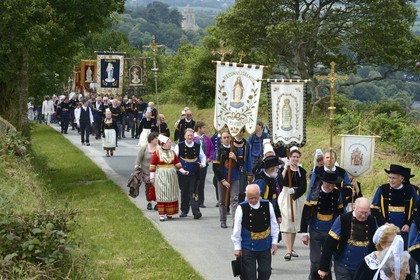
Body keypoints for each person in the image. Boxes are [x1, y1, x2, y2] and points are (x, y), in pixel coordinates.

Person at [317, 197, 377, 280]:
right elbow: (329, 243)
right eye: (361, 212)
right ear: (354, 208)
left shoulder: (372, 220)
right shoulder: (343, 219)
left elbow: (377, 243)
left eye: (366, 213)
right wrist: (323, 268)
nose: (363, 216)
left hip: (364, 267)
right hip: (343, 265)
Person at [300, 171, 344, 280]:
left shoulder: (337, 193)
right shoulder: (314, 192)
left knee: (327, 258)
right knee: (315, 260)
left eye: (333, 185)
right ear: (323, 182)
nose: (331, 187)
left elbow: (340, 212)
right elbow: (306, 213)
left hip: (330, 231)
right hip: (315, 229)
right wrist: (304, 233)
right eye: (328, 184)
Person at [231, 184, 279, 280]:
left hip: (265, 247)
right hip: (248, 248)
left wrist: (274, 241)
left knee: (266, 272)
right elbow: (237, 228)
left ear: (259, 194)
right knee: (249, 276)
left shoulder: (267, 205)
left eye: (255, 198)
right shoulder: (241, 208)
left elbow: (274, 224)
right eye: (250, 198)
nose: (253, 200)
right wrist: (237, 247)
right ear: (246, 195)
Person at [371, 164, 419, 249]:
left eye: (394, 178)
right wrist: (383, 223)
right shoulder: (383, 189)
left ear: (402, 179)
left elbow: (417, 209)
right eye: (389, 177)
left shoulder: (410, 190)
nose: (391, 180)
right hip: (386, 226)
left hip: (404, 228)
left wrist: (408, 224)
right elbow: (374, 208)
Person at [149, 135, 188, 222]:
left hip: (171, 176)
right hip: (161, 175)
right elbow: (152, 166)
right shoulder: (157, 153)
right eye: (169, 142)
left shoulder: (172, 153)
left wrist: (183, 171)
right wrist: (152, 178)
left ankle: (169, 212)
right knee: (162, 193)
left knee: (171, 193)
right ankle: (162, 214)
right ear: (163, 144)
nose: (170, 144)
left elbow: (177, 164)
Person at [278, 147, 307, 261]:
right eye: (293, 157)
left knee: (294, 224)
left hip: (297, 197)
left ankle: (291, 247)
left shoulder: (301, 171)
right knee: (287, 222)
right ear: (289, 157)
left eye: (297, 157)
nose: (295, 159)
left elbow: (304, 187)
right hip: (286, 196)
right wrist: (285, 168)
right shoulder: (284, 169)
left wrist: (295, 192)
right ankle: (288, 251)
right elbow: (280, 181)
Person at [213, 131, 243, 228]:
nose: (226, 139)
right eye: (224, 137)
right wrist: (223, 180)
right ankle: (223, 220)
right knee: (222, 200)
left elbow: (241, 163)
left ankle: (235, 222)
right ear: (221, 139)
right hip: (222, 178)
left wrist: (235, 158)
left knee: (234, 200)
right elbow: (215, 168)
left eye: (228, 137)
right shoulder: (218, 151)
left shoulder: (235, 150)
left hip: (234, 178)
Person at [174, 128, 206, 219]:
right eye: (188, 135)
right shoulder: (179, 146)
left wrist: (202, 164)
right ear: (184, 136)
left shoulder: (197, 146)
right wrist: (178, 168)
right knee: (184, 191)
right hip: (182, 173)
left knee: (194, 192)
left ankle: (196, 211)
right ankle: (184, 210)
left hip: (194, 173)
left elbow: (203, 156)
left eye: (191, 135)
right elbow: (174, 158)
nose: (189, 137)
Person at [134, 132, 159, 210]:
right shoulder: (144, 147)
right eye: (156, 138)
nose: (157, 140)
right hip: (146, 171)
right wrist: (136, 166)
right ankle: (149, 202)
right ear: (151, 139)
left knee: (157, 187)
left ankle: (156, 202)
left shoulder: (159, 148)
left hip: (157, 171)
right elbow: (138, 158)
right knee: (148, 187)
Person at [193, 121, 214, 208]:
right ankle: (193, 200)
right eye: (203, 128)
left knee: (201, 183)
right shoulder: (193, 138)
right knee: (194, 183)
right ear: (199, 129)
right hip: (194, 164)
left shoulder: (207, 138)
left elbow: (212, 149)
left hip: (204, 164)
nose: (204, 129)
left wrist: (209, 158)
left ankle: (201, 201)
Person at [233, 128, 253, 202]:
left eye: (241, 131)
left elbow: (248, 158)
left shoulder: (246, 143)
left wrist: (249, 172)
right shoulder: (231, 142)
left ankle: (240, 203)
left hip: (242, 170)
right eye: (238, 131)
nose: (240, 133)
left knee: (242, 189)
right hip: (233, 169)